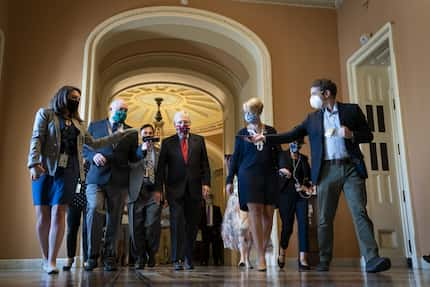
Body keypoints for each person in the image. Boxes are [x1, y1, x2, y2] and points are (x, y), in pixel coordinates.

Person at [252, 79, 391, 273]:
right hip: (326, 171)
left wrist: (352, 135)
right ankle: (324, 260)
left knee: (359, 212)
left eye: (313, 93)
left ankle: (372, 259)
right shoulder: (312, 119)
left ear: (326, 94)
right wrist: (266, 138)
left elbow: (368, 135)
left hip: (351, 168)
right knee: (324, 217)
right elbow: (292, 134)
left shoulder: (351, 111)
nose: (311, 98)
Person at [28, 86, 132, 274]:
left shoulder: (78, 123)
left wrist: (119, 135)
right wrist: (33, 163)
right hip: (45, 168)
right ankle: (45, 257)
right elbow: (37, 139)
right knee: (43, 215)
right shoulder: (46, 114)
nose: (75, 100)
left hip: (69, 171)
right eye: (72, 97)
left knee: (59, 212)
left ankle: (51, 260)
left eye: (78, 98)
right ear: (62, 97)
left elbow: (94, 143)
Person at [225, 97, 284, 271]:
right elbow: (236, 158)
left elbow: (279, 153)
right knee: (255, 212)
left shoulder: (271, 131)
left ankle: (262, 250)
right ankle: (260, 258)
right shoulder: (241, 134)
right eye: (245, 113)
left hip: (269, 175)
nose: (247, 116)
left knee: (268, 214)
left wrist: (284, 168)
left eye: (250, 112)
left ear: (258, 112)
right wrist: (229, 180)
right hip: (248, 175)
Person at [83, 98, 138, 271]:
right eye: (120, 108)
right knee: (94, 209)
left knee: (114, 219)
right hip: (96, 178)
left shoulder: (131, 132)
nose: (123, 112)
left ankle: (109, 257)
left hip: (119, 181)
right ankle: (92, 256)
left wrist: (142, 151)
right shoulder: (95, 126)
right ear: (110, 109)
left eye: (126, 110)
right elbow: (84, 147)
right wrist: (93, 156)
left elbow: (132, 158)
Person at [155, 110, 211, 271]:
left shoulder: (199, 141)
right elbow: (160, 169)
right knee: (177, 222)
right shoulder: (167, 142)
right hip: (174, 190)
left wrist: (206, 184)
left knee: (192, 225)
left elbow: (205, 165)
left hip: (194, 190)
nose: (182, 125)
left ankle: (188, 258)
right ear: (174, 125)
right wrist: (159, 189)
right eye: (179, 122)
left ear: (190, 124)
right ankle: (177, 259)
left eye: (185, 122)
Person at [128, 124, 162, 269]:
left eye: (150, 132)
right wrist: (141, 152)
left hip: (153, 193)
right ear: (141, 136)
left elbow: (163, 174)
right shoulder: (133, 151)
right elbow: (128, 166)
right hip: (136, 192)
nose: (148, 135)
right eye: (145, 133)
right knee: (136, 227)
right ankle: (139, 257)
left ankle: (151, 253)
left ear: (153, 135)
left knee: (151, 226)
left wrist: (161, 191)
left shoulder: (160, 152)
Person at [277, 139, 312, 271]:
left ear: (301, 145)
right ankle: (282, 251)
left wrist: (305, 187)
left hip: (301, 197)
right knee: (287, 227)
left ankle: (303, 258)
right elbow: (275, 175)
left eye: (298, 143)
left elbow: (309, 180)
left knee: (303, 224)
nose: (295, 145)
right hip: (285, 196)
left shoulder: (303, 159)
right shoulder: (281, 156)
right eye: (293, 142)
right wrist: (282, 174)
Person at [221, 175, 253, 269]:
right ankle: (243, 258)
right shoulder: (233, 168)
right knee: (241, 230)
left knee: (249, 232)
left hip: (251, 199)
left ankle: (247, 257)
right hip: (236, 201)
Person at [63, 161, 90, 271]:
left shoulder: (91, 156)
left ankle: (86, 259)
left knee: (86, 230)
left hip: (88, 197)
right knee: (71, 229)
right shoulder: (72, 158)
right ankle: (70, 258)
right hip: (73, 198)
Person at [199, 194, 223, 266]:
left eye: (210, 199)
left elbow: (220, 219)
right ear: (205, 200)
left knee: (215, 246)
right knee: (205, 246)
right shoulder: (202, 209)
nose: (209, 200)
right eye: (207, 199)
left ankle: (216, 261)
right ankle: (205, 261)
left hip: (214, 230)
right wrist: (202, 228)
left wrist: (217, 229)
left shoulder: (217, 208)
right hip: (205, 230)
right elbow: (200, 220)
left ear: (212, 200)